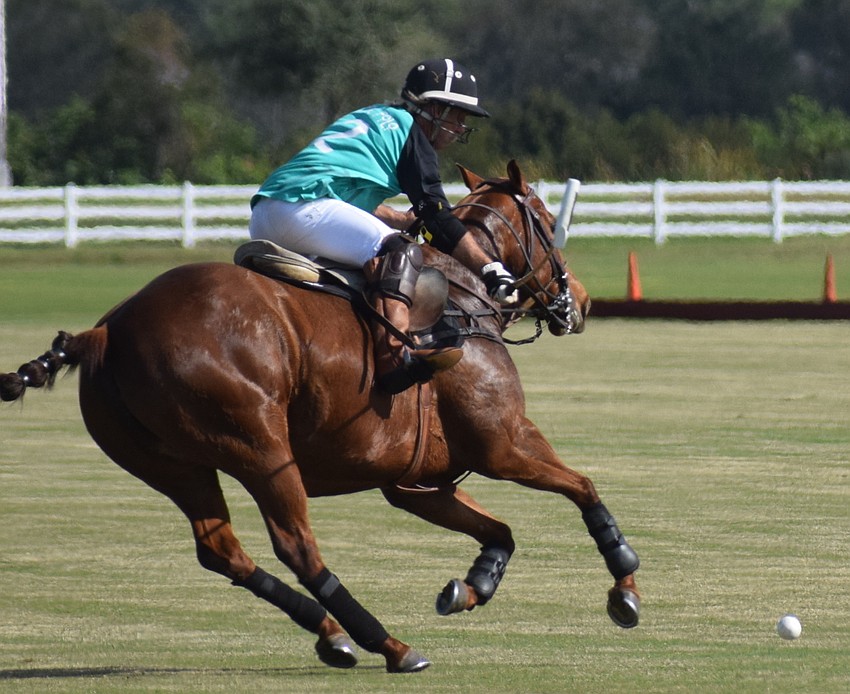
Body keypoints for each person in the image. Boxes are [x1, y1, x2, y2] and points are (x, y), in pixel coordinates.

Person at [249, 58, 519, 394]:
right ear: (435, 110)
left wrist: (402, 219)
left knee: (373, 254)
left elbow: (346, 196)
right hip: (302, 210)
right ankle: (394, 355)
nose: (462, 126)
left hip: (267, 213)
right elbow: (437, 215)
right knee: (399, 251)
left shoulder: (374, 116)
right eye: (458, 115)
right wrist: (490, 268)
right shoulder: (412, 135)